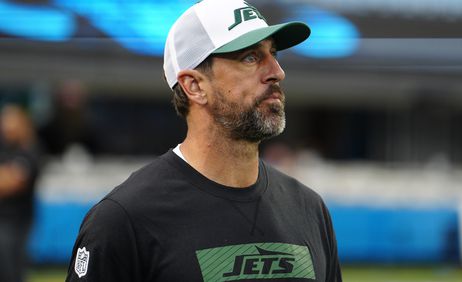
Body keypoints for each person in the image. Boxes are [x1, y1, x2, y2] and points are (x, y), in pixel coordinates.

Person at [66, 0, 342, 281]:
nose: (277, 72)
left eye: (273, 54)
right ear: (194, 86)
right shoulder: (124, 220)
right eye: (250, 57)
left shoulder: (309, 209)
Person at [0, 104, 40, 282]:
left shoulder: (29, 150)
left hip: (17, 221)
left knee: (11, 268)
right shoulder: (5, 150)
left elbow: (12, 183)